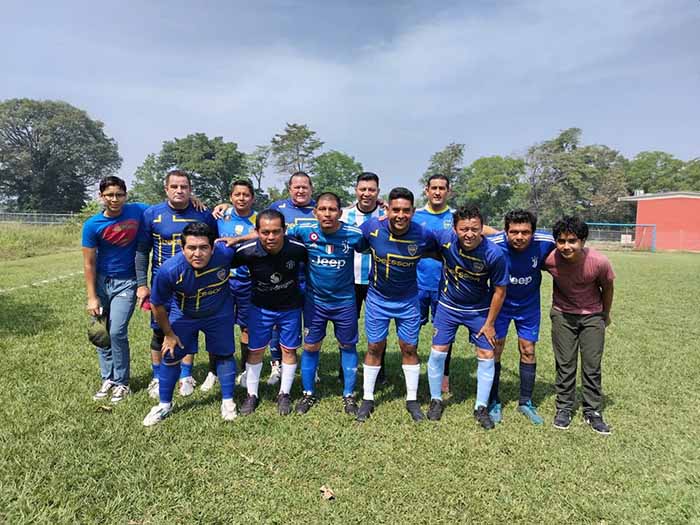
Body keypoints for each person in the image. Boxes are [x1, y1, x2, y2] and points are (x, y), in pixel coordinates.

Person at [142, 222, 239, 426]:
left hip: (219, 313)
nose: (197, 253)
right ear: (182, 248)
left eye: (203, 247)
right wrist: (169, 334)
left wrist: (242, 238)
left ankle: (228, 401)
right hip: (184, 314)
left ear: (213, 247)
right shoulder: (169, 270)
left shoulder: (225, 253)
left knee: (224, 354)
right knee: (170, 354)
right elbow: (157, 305)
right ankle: (164, 405)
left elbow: (258, 239)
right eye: (191, 248)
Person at [355, 187, 438, 422]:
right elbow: (355, 244)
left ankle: (412, 399)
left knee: (409, 348)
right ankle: (368, 398)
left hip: (408, 300)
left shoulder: (423, 235)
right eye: (396, 210)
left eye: (406, 210)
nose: (400, 215)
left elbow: (442, 251)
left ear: (413, 211)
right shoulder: (372, 228)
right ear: (387, 209)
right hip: (377, 299)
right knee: (374, 347)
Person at [135, 169, 218, 399]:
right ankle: (157, 377)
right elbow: (142, 251)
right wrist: (142, 284)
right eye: (174, 186)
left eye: (184, 187)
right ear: (166, 189)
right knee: (159, 331)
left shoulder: (203, 214)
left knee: (188, 329)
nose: (179, 191)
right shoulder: (152, 214)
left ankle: (186, 375)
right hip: (162, 284)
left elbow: (215, 245)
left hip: (193, 284)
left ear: (190, 190)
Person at [425, 205, 509, 430]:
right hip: (448, 307)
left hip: (479, 311)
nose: (469, 234)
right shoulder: (445, 239)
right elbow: (415, 232)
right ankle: (436, 399)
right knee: (438, 351)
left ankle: (481, 407)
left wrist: (490, 323)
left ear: (482, 228)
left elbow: (500, 291)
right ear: (455, 229)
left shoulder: (494, 254)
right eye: (464, 229)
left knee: (487, 354)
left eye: (474, 229)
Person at [287, 192, 368, 415]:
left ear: (340, 213)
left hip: (345, 302)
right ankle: (308, 393)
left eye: (332, 209)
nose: (327, 214)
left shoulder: (353, 234)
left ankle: (349, 395)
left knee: (347, 345)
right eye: (322, 209)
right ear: (315, 212)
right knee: (311, 346)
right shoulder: (303, 230)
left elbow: (372, 245)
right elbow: (273, 233)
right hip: (315, 302)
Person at [232, 209, 307, 416]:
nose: (271, 237)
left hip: (290, 308)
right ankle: (252, 394)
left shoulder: (297, 249)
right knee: (255, 351)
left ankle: (284, 393)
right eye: (265, 232)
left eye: (276, 231)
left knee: (289, 351)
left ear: (284, 230)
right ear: (257, 231)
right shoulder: (247, 251)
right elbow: (223, 262)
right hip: (260, 308)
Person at [544, 216, 615, 435]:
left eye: (572, 241)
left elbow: (608, 288)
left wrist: (605, 314)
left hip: (592, 316)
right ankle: (564, 408)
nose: (566, 246)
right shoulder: (550, 259)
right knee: (565, 364)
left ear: (582, 241)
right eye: (561, 241)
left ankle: (592, 411)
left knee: (592, 366)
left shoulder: (598, 262)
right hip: (563, 315)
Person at [485, 210, 555, 425]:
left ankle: (526, 401)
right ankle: (493, 400)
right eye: (514, 232)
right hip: (501, 304)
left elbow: (571, 245)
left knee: (528, 350)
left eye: (525, 232)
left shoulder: (546, 242)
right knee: (495, 348)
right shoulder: (494, 244)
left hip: (528, 305)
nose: (519, 237)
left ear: (533, 232)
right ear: (505, 232)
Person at [82, 176, 147, 403]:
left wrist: (194, 200)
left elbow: (166, 208)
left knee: (117, 331)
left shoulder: (137, 211)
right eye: (109, 195)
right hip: (102, 284)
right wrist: (92, 297)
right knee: (102, 332)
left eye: (119, 194)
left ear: (126, 195)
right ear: (101, 196)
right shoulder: (92, 225)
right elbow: (89, 263)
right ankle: (107, 378)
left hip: (127, 283)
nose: (114, 199)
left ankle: (122, 382)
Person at [202, 179, 257, 392]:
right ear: (230, 197)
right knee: (217, 325)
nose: (241, 198)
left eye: (246, 195)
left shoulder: (257, 218)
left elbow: (261, 233)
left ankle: (244, 370)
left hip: (247, 281)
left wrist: (238, 239)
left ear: (252, 198)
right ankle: (213, 371)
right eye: (237, 194)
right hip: (220, 280)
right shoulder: (221, 214)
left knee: (246, 327)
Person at [265, 171, 316, 385]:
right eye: (297, 187)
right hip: (284, 277)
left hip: (312, 277)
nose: (301, 190)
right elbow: (261, 229)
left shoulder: (319, 209)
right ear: (290, 189)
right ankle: (276, 365)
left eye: (305, 186)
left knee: (312, 323)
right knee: (278, 324)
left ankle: (311, 366)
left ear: (311, 189)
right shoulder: (278, 208)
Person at [341, 172, 387, 383]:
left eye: (371, 190)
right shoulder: (344, 215)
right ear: (356, 191)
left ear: (378, 192)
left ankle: (379, 371)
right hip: (349, 281)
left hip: (378, 282)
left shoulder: (386, 215)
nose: (366, 193)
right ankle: (345, 370)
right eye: (363, 189)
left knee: (378, 329)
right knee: (347, 327)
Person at [414, 174, 454, 394]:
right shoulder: (415, 216)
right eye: (434, 188)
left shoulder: (455, 217)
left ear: (448, 191)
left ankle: (444, 376)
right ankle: (412, 372)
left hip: (445, 287)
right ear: (426, 190)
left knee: (444, 335)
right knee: (412, 331)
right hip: (417, 285)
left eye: (442, 188)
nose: (437, 192)